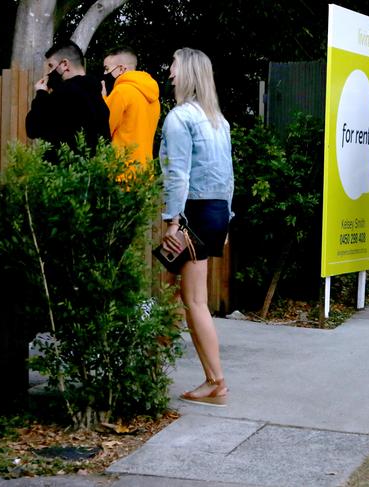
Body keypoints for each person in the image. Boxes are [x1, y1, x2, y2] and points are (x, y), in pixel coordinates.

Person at [159, 48, 234, 407]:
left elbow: (178, 174)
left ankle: (216, 381)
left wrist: (173, 220)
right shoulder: (219, 120)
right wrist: (228, 217)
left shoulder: (179, 118)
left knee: (193, 301)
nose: (170, 73)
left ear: (186, 72)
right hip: (217, 211)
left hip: (193, 212)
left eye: (174, 67)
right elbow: (230, 176)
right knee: (180, 295)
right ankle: (207, 378)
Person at [26, 40, 110, 158]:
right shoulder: (97, 95)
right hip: (94, 172)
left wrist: (41, 94)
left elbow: (32, 128)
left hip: (64, 173)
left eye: (51, 66)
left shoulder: (63, 94)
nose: (48, 73)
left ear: (65, 64)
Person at [102, 46, 160, 174]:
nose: (105, 74)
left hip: (121, 171)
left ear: (121, 69)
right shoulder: (154, 98)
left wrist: (103, 99)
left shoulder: (121, 91)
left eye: (107, 69)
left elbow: (104, 129)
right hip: (145, 172)